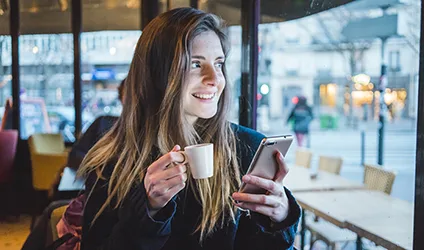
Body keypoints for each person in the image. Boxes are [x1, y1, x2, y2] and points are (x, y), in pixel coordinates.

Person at [78, 8, 300, 250]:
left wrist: (279, 218)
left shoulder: (247, 148)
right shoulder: (114, 160)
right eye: (195, 64)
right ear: (158, 73)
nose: (215, 79)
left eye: (219, 63)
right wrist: (147, 211)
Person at [66, 79, 126, 171]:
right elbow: (75, 155)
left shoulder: (148, 132)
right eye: (128, 93)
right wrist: (99, 165)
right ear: (121, 96)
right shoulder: (102, 122)